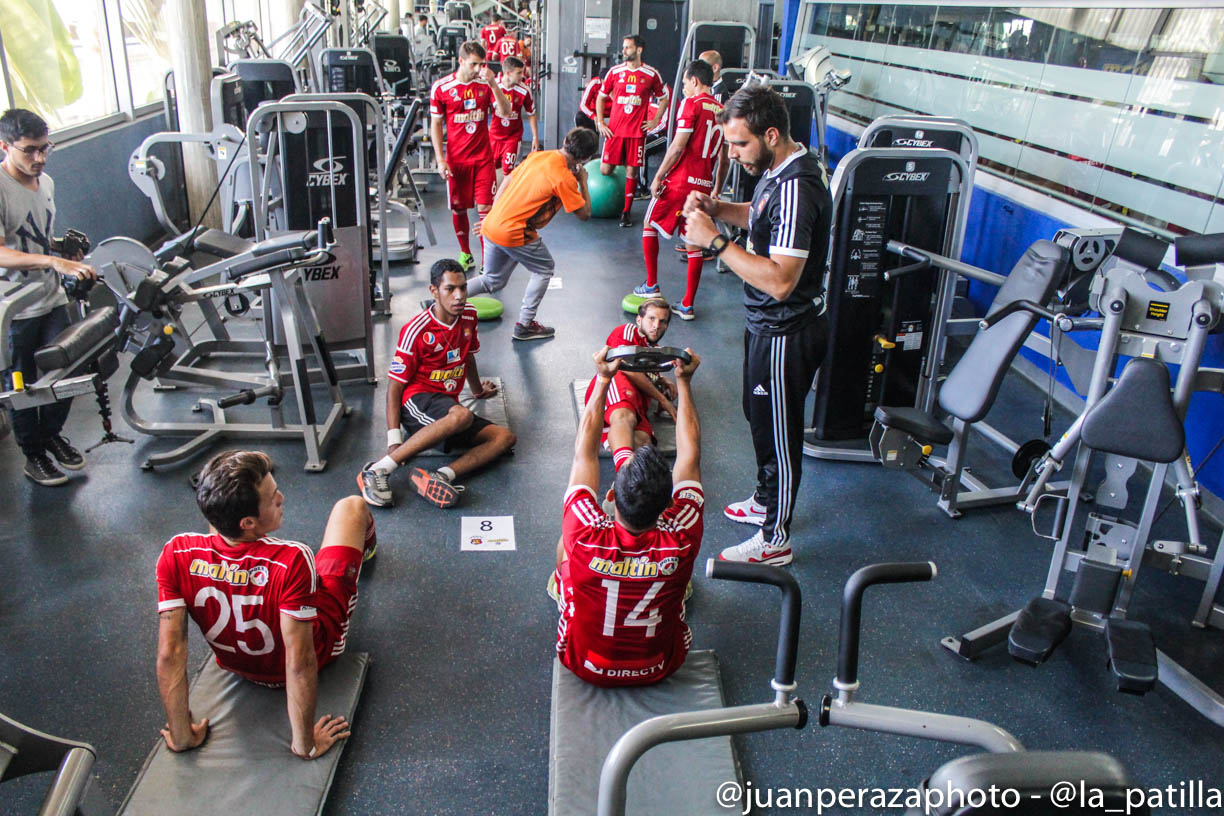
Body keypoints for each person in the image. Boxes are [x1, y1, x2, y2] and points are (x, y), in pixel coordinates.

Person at [681, 84, 831, 566]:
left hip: (787, 327)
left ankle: (775, 539)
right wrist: (719, 211)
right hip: (765, 324)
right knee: (758, 415)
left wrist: (716, 244)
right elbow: (761, 217)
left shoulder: (797, 187)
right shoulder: (775, 171)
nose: (732, 154)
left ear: (771, 134)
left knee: (780, 436)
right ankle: (766, 500)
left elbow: (782, 281)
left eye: (739, 144)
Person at [155, 450, 376, 758]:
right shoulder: (294, 559)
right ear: (248, 522)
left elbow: (170, 654)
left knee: (222, 523)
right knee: (351, 507)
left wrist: (181, 737)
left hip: (236, 665)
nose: (282, 498)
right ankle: (368, 547)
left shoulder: (175, 553)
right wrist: (305, 745)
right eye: (273, 498)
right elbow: (300, 662)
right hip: (317, 650)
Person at [553, 345, 703, 687]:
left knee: (565, 545)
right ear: (669, 503)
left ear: (611, 498)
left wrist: (603, 379)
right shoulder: (683, 532)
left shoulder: (585, 532)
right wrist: (684, 382)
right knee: (680, 581)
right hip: (661, 665)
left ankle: (560, 587)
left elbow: (584, 455)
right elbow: (690, 454)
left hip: (584, 663)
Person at [358, 259, 515, 508]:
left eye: (463, 288)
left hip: (447, 407)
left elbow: (468, 356)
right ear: (434, 291)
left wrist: (476, 390)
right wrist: (394, 440)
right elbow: (395, 388)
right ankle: (378, 470)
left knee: (504, 438)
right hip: (417, 401)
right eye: (450, 289)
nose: (459, 296)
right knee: (461, 416)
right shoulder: (416, 330)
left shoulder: (469, 316)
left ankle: (442, 476)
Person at [0, 108, 97, 486]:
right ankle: (34, 455)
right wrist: (54, 261)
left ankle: (51, 435)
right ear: (5, 146)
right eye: (29, 151)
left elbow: (33, 239)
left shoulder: (47, 183)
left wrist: (63, 253)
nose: (39, 158)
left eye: (45, 149)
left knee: (70, 369)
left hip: (50, 295)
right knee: (21, 385)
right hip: (14, 306)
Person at [467, 126, 595, 342]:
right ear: (587, 157)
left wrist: (491, 215)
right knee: (544, 269)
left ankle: (441, 300)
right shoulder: (565, 178)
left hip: (492, 224)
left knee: (491, 279)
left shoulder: (537, 156)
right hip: (514, 231)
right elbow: (584, 214)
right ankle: (525, 325)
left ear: (564, 140)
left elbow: (506, 181)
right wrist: (582, 180)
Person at [634, 60, 727, 321]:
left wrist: (658, 176)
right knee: (694, 242)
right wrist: (716, 189)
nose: (684, 88)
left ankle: (651, 285)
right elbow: (725, 157)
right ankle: (687, 305)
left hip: (680, 182)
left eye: (685, 83)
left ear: (695, 81)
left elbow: (676, 146)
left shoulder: (692, 104)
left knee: (649, 224)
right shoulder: (723, 111)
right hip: (704, 186)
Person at [430, 40, 513, 273]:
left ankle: (488, 262)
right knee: (459, 209)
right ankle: (466, 252)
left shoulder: (485, 86)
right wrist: (440, 159)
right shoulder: (441, 88)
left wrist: (494, 84)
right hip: (457, 161)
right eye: (474, 64)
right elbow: (435, 125)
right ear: (461, 61)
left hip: (483, 159)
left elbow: (506, 112)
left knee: (486, 207)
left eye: (481, 64)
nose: (479, 69)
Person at [583, 299, 676, 472]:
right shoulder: (626, 331)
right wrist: (662, 399)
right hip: (617, 384)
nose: (656, 325)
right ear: (639, 320)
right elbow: (627, 368)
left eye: (662, 321)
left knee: (644, 442)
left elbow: (644, 372)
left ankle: (612, 443)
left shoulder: (655, 350)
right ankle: (624, 475)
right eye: (651, 318)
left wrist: (660, 379)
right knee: (624, 416)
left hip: (639, 402)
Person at [595, 34, 669, 228]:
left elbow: (664, 98)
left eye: (628, 47)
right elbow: (601, 97)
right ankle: (619, 183)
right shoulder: (614, 72)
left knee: (632, 170)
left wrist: (655, 120)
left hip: (636, 132)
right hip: (615, 131)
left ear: (639, 50)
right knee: (605, 170)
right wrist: (601, 122)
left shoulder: (651, 74)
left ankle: (626, 212)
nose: (624, 51)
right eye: (624, 47)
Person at [488, 55, 537, 186]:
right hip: (494, 135)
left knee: (508, 171)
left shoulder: (524, 90)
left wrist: (535, 137)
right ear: (508, 73)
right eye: (519, 73)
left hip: (512, 137)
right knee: (488, 168)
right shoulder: (492, 86)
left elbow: (531, 113)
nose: (522, 76)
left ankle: (507, 200)